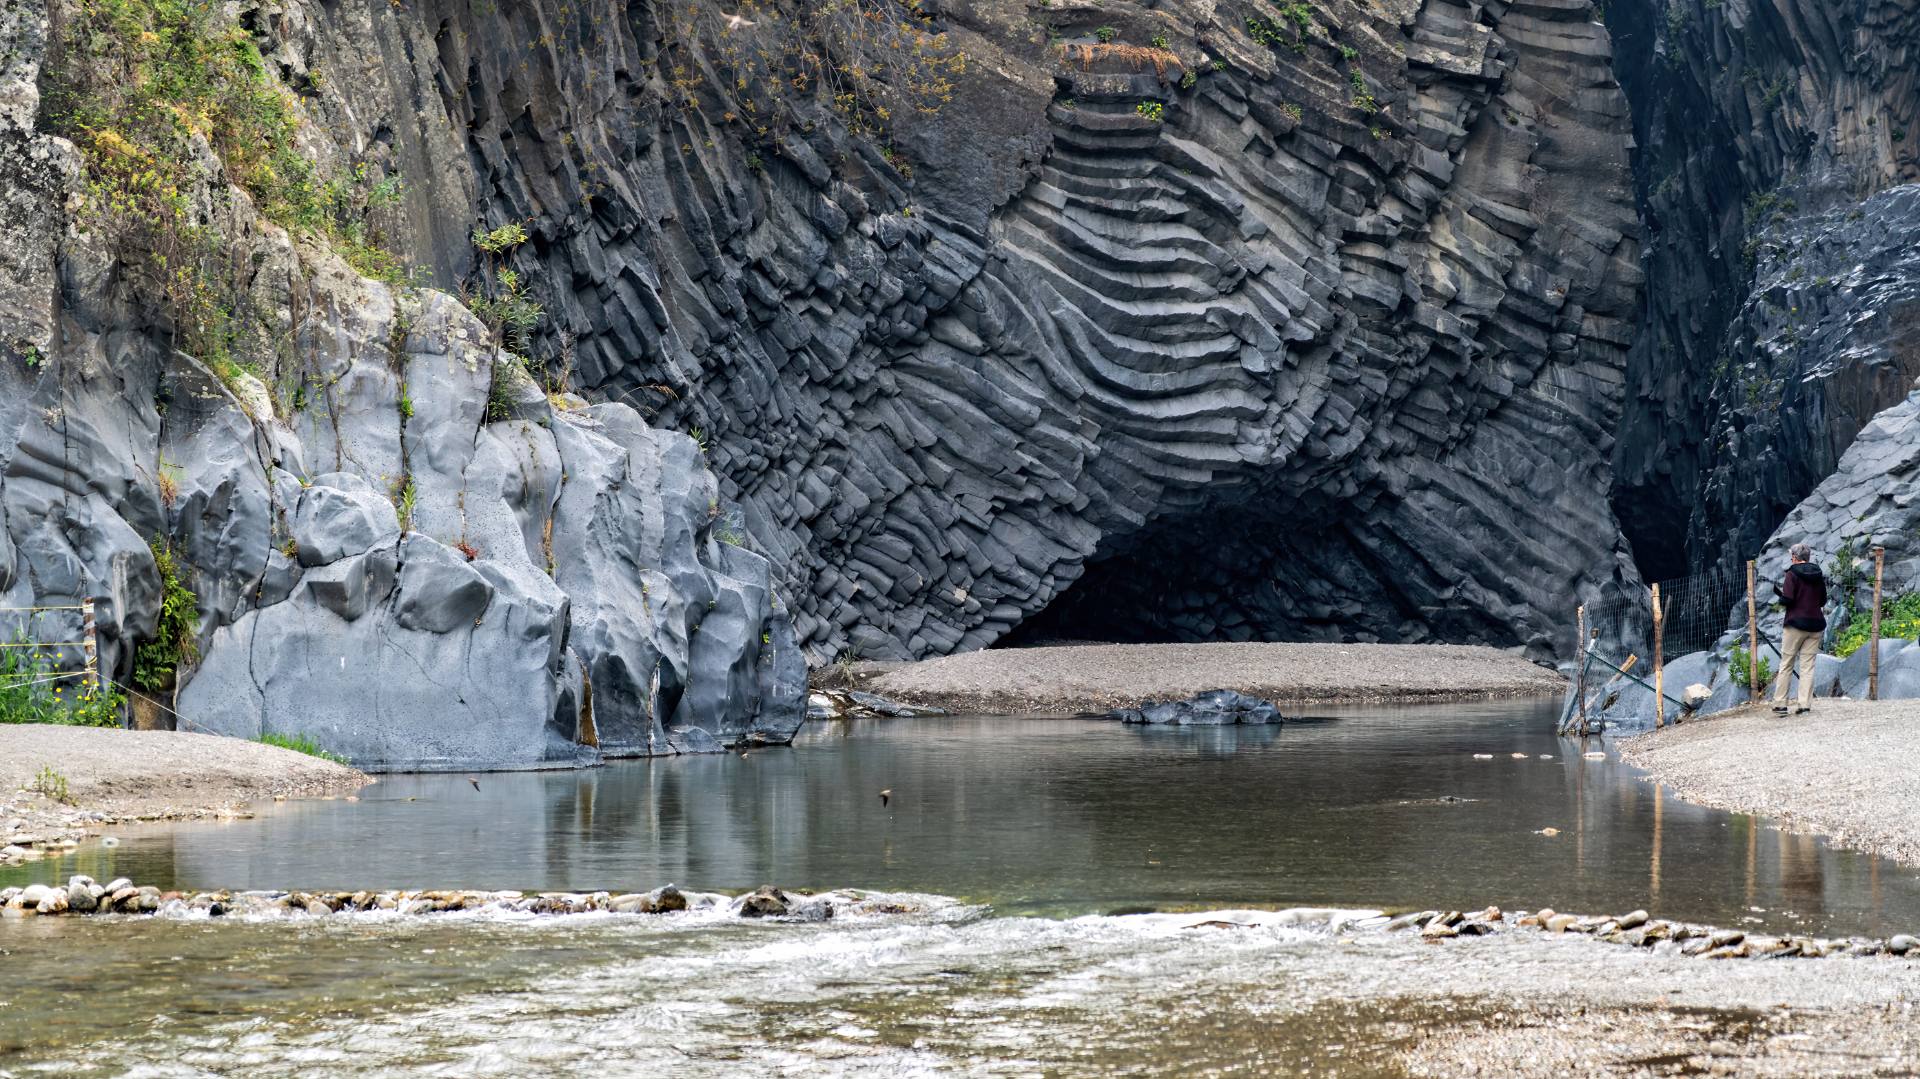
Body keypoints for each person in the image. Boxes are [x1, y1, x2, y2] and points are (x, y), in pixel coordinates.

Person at [1771, 542, 1827, 715]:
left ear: (1795, 558)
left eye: (1791, 557)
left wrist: (1780, 597)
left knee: (1787, 663)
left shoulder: (1792, 574)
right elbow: (1823, 600)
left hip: (1795, 625)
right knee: (1807, 666)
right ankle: (1804, 705)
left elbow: (1788, 599)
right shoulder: (1818, 574)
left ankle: (1780, 704)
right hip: (1816, 625)